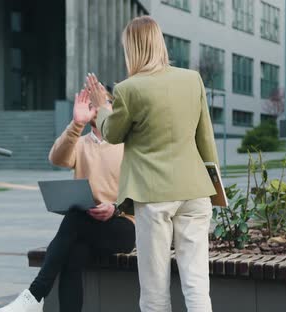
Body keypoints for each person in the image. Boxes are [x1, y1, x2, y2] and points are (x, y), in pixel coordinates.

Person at [87, 16, 219, 312]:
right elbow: (205, 139)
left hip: (153, 195)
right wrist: (215, 186)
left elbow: (111, 133)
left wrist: (102, 107)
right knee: (198, 285)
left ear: (132, 49)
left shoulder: (128, 89)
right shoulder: (191, 79)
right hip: (196, 192)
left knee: (154, 291)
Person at [0, 88, 135, 312]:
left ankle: (34, 295)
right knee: (73, 254)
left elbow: (143, 192)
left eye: (102, 102)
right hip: (87, 226)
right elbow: (56, 158)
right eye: (91, 103)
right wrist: (76, 124)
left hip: (124, 226)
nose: (95, 107)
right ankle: (34, 298)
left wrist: (116, 208)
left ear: (113, 107)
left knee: (74, 219)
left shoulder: (127, 143)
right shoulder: (80, 143)